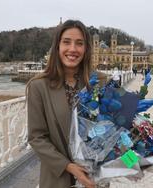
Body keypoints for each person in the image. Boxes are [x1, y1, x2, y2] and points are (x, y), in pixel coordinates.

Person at [27, 20, 105, 188]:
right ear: (57, 46)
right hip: (57, 178)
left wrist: (134, 163)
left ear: (86, 49)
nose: (72, 49)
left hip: (95, 179)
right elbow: (37, 137)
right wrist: (69, 167)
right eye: (66, 42)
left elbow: (119, 129)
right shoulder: (39, 86)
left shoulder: (100, 81)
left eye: (79, 43)